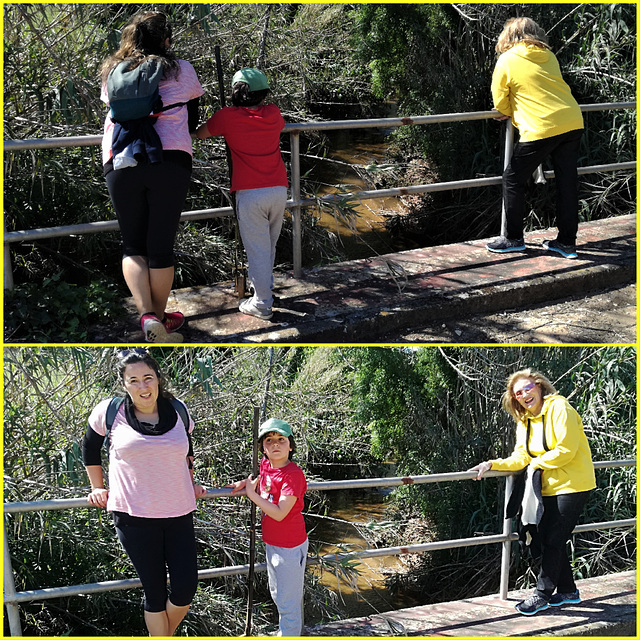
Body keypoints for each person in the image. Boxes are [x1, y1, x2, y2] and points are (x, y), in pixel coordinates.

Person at [82, 348, 207, 636]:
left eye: (148, 378)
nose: (143, 386)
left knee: (186, 588)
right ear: (124, 383)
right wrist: (97, 487)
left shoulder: (178, 410)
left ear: (159, 379)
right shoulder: (110, 411)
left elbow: (187, 452)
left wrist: (191, 481)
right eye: (134, 380)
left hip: (179, 511)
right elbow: (89, 448)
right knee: (154, 592)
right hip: (133, 515)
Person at [100, 12, 204, 342]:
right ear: (166, 40)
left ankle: (146, 316)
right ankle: (158, 319)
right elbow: (192, 120)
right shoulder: (181, 69)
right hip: (169, 157)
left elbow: (113, 110)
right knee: (160, 246)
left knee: (133, 244)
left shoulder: (113, 72)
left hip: (120, 158)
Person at [469, 368, 596, 616]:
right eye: (518, 393)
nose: (524, 395)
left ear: (539, 387)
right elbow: (521, 458)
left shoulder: (560, 408)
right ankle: (568, 591)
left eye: (527, 388)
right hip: (545, 488)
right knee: (546, 537)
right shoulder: (524, 421)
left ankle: (542, 594)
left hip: (573, 484)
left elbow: (566, 450)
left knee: (553, 538)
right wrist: (492, 464)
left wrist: (536, 464)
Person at [194, 68, 288, 321]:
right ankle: (264, 290)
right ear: (263, 94)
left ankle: (262, 303)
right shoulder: (273, 113)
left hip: (250, 192)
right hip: (278, 188)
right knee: (268, 245)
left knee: (257, 248)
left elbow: (201, 133)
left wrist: (228, 117)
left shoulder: (227, 117)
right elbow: (274, 123)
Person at [486, 17, 584, 259]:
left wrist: (507, 111)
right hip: (572, 121)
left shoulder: (507, 59)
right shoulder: (548, 56)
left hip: (541, 127)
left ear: (508, 37)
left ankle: (513, 238)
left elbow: (500, 101)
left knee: (512, 178)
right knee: (566, 182)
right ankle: (566, 243)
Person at [230, 418, 308, 635]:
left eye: (281, 440)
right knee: (277, 593)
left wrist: (252, 495)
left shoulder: (292, 475)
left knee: (288, 602)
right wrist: (245, 485)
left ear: (290, 446)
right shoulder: (266, 465)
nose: (275, 444)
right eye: (269, 440)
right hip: (272, 542)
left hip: (290, 546)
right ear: (262, 447)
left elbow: (280, 512)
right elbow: (260, 480)